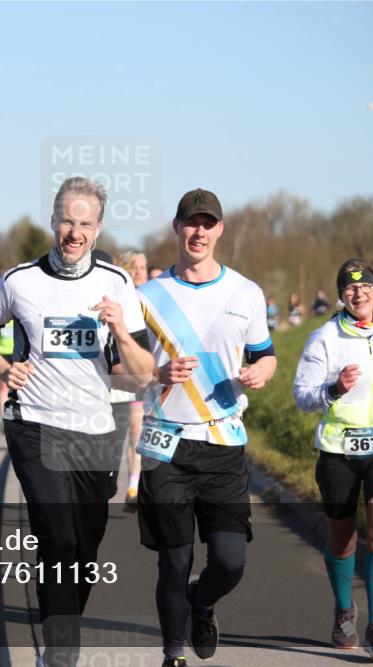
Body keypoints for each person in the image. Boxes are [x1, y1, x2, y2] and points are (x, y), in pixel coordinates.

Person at [0, 177, 154, 667]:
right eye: (67, 221)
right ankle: (60, 654)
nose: (75, 232)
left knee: (85, 551)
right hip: (34, 422)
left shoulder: (116, 283)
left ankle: (60, 637)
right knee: (58, 538)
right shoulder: (19, 281)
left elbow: (142, 373)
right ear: (52, 221)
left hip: (95, 430)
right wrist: (4, 369)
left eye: (85, 224)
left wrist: (120, 330)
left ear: (98, 228)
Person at [137, 188, 277, 667]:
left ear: (220, 229)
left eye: (208, 223)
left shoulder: (245, 292)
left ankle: (203, 602)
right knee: (174, 561)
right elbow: (124, 369)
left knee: (229, 562)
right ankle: (172, 655)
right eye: (191, 222)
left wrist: (262, 372)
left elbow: (266, 354)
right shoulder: (147, 297)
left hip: (222, 440)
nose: (199, 231)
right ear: (176, 227)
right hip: (165, 441)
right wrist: (156, 373)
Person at [293, 258, 373, 659]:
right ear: (341, 296)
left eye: (365, 286)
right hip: (338, 450)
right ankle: (345, 609)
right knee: (342, 540)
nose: (359, 293)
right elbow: (302, 396)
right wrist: (334, 388)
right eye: (350, 288)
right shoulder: (324, 338)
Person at [112, 250, 149, 512]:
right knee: (114, 437)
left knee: (137, 431)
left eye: (142, 267)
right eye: (133, 266)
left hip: (141, 378)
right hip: (114, 379)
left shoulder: (153, 300)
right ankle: (107, 480)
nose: (138, 272)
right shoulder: (115, 297)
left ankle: (134, 487)